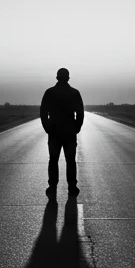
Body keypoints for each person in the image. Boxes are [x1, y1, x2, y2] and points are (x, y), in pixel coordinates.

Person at [40, 67, 84, 199]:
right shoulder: (74, 93)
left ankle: (52, 187)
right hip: (69, 132)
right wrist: (76, 128)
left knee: (53, 160)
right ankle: (72, 187)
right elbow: (80, 114)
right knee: (70, 161)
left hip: (54, 132)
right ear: (68, 78)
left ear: (57, 77)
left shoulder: (50, 92)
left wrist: (48, 128)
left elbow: (43, 113)